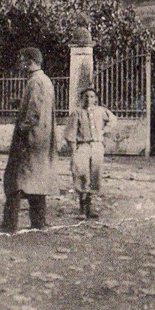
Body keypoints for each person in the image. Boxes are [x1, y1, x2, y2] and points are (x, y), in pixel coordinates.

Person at [1, 47, 58, 233]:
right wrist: (21, 103)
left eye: (22, 59)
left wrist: (22, 130)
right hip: (42, 139)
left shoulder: (35, 82)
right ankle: (38, 222)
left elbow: (34, 112)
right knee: (36, 180)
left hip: (30, 139)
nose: (20, 63)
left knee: (15, 180)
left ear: (29, 60)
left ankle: (10, 225)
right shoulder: (45, 80)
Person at [63, 87, 117, 218]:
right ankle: (82, 209)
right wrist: (74, 148)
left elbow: (113, 120)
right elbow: (71, 132)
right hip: (83, 146)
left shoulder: (101, 111)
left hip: (97, 146)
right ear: (82, 98)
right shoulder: (77, 113)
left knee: (95, 175)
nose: (89, 99)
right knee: (81, 174)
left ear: (96, 99)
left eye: (91, 96)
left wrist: (104, 131)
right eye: (86, 96)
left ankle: (90, 208)